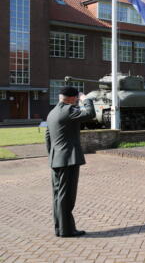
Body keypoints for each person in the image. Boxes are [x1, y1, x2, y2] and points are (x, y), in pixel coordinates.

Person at [45, 86, 95, 237]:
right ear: (73, 98)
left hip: (56, 159)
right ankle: (67, 230)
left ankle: (59, 228)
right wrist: (85, 99)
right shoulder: (68, 110)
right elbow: (90, 113)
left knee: (57, 196)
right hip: (68, 160)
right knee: (67, 196)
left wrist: (53, 155)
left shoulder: (52, 113)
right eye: (76, 98)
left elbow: (48, 138)